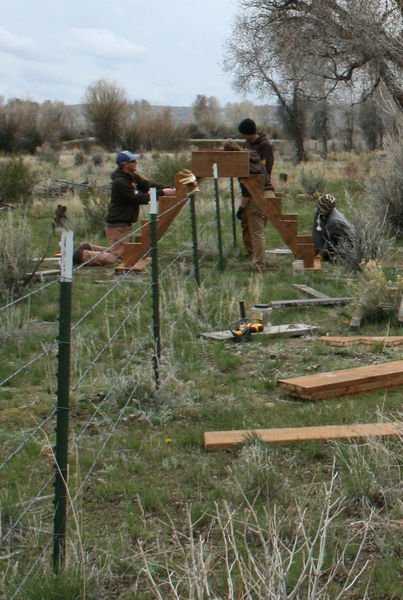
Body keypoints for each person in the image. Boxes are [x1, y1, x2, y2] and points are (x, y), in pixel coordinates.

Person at [104, 150, 176, 260]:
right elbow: (135, 199)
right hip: (117, 225)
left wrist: (168, 188)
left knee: (121, 252)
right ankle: (83, 255)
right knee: (119, 258)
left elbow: (148, 185)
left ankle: (89, 248)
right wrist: (162, 193)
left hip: (124, 224)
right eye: (133, 161)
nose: (136, 162)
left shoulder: (133, 177)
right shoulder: (120, 182)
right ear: (124, 165)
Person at [224, 140, 275, 272]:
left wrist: (241, 209)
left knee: (257, 233)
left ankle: (258, 264)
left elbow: (246, 193)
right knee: (260, 231)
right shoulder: (254, 155)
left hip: (256, 198)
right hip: (269, 193)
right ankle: (257, 259)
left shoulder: (241, 164)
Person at [237, 118, 275, 261]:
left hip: (259, 188)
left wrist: (260, 185)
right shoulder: (247, 144)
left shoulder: (265, 146)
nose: (241, 137)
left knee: (257, 227)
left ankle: (258, 262)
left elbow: (267, 168)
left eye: (242, 134)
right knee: (246, 223)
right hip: (248, 189)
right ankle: (250, 252)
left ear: (247, 133)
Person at [312, 194, 354, 261]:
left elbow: (332, 241)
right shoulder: (318, 211)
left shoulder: (334, 222)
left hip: (347, 244)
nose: (317, 206)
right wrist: (315, 250)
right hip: (333, 238)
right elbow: (317, 232)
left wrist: (321, 254)